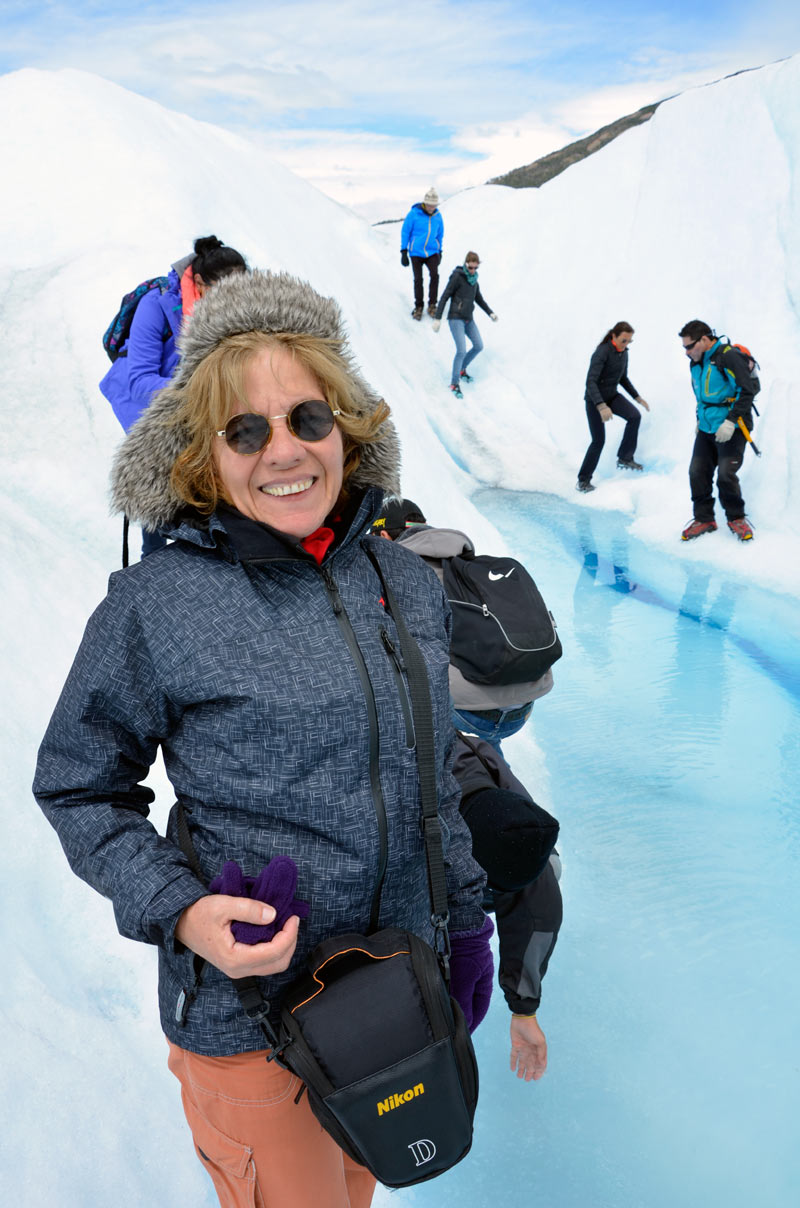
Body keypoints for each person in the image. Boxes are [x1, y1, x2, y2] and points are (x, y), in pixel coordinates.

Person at [34, 270, 489, 1208]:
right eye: (246, 430)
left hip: (398, 993)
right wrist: (183, 909)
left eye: (307, 419)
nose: (282, 450)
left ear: (349, 428)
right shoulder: (158, 604)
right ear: (206, 456)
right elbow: (79, 787)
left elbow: (433, 776)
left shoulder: (403, 581)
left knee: (358, 1192)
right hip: (253, 1021)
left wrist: (471, 924)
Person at [100, 234, 247, 556]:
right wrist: (201, 390)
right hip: (150, 410)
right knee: (161, 499)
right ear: (197, 281)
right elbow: (139, 381)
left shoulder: (239, 307)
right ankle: (152, 564)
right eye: (222, 293)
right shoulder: (157, 305)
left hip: (205, 411)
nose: (231, 302)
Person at [372, 498, 553, 753]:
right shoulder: (466, 567)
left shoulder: (399, 574)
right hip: (522, 708)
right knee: (485, 748)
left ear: (383, 536)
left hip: (470, 714)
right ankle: (493, 769)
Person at [453, 732, 562, 1082]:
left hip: (471, 776)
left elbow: (538, 913)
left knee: (546, 869)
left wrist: (524, 1010)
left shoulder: (486, 764)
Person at [678, 320, 757, 541]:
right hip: (706, 426)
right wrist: (699, 419)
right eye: (684, 347)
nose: (686, 352)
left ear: (704, 339)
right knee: (697, 472)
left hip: (732, 426)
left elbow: (747, 391)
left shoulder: (727, 357)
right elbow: (701, 395)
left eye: (689, 346)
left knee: (725, 474)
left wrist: (731, 421)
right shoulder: (696, 362)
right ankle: (704, 519)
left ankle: (737, 518)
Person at [577, 321, 650, 492]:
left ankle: (625, 457)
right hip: (595, 400)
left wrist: (637, 397)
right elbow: (590, 382)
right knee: (598, 441)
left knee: (634, 416)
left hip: (612, 396)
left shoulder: (623, 353)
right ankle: (583, 480)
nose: (626, 344)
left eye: (629, 341)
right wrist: (601, 406)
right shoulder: (601, 353)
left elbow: (623, 378)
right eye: (623, 340)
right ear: (614, 336)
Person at [432, 251, 497, 397]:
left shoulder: (474, 281)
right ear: (466, 264)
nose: (473, 270)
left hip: (468, 319)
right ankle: (454, 383)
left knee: (479, 345)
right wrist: (437, 318)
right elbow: (445, 296)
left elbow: (479, 299)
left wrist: (490, 313)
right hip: (456, 318)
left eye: (475, 268)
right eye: (471, 267)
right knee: (461, 350)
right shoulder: (457, 276)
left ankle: (462, 369)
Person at [400, 187, 444, 320]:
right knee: (418, 279)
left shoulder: (438, 216)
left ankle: (432, 305)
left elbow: (440, 234)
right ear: (425, 203)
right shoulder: (414, 214)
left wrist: (440, 250)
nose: (431, 208)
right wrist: (404, 251)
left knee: (434, 276)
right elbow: (405, 232)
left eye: (434, 205)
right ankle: (418, 306)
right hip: (416, 252)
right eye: (429, 205)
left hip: (432, 252)